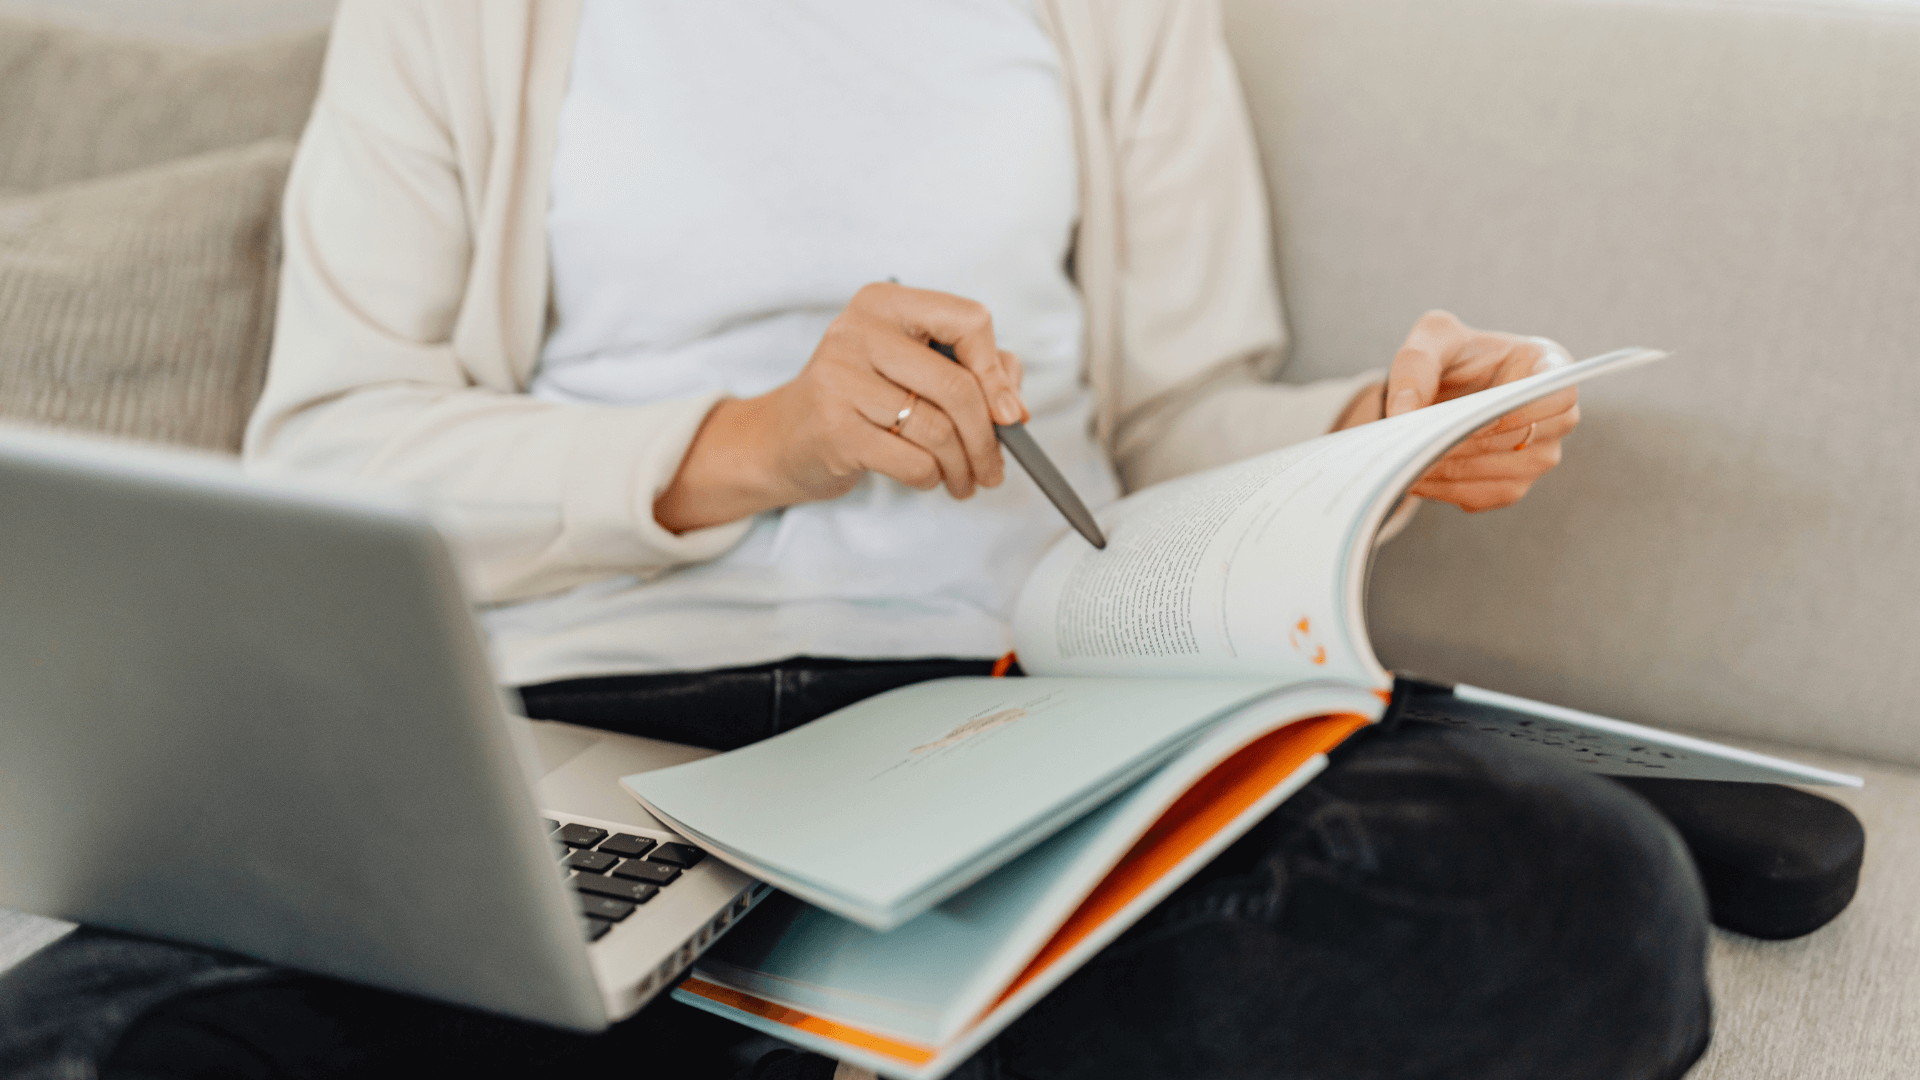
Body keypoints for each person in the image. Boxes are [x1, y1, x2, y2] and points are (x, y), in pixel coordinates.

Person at [0, 2, 1710, 1079]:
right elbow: (333, 448)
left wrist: (1378, 440)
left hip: (998, 730)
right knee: (80, 1039)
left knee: (1585, 904)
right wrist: (760, 444)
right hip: (583, 744)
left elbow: (1184, 417)